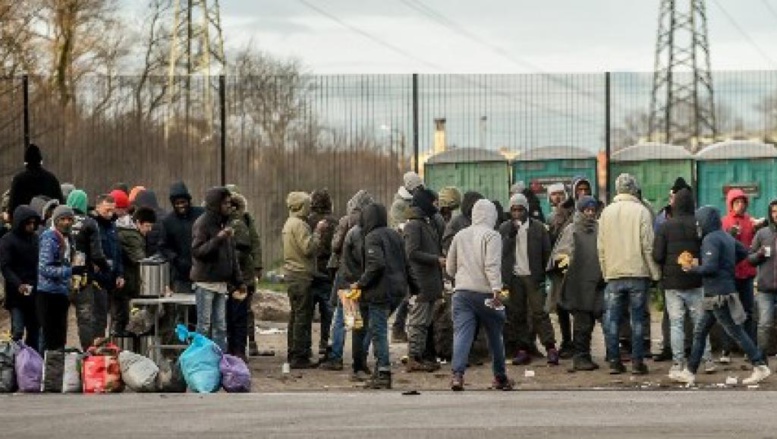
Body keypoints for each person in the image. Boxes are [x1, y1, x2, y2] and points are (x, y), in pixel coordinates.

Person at [671, 206, 771, 386]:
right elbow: (745, 254)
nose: (697, 225)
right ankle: (690, 371)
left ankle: (760, 365)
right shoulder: (726, 237)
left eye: (698, 221)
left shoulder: (710, 239)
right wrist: (729, 263)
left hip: (718, 295)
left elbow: (710, 268)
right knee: (700, 331)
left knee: (735, 332)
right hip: (720, 292)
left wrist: (691, 268)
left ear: (705, 221)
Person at [447, 199, 514, 391]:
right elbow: (491, 265)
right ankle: (500, 377)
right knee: (495, 336)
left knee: (462, 335)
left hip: (461, 293)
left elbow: (450, 268)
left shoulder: (460, 235)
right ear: (492, 215)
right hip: (486, 294)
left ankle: (457, 376)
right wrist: (497, 290)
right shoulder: (492, 236)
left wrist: (461, 277)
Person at [598, 173, 661, 375]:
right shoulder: (641, 212)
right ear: (634, 189)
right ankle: (637, 362)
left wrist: (606, 272)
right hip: (637, 273)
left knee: (613, 319)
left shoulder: (606, 213)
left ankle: (615, 361)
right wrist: (655, 273)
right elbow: (648, 246)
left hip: (614, 274)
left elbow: (601, 248)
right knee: (638, 320)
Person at [652, 188, 715, 375]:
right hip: (695, 280)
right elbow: (706, 251)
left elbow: (657, 255)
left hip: (672, 283)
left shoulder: (665, 226)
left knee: (676, 323)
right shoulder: (699, 225)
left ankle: (678, 363)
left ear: (675, 204)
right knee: (699, 322)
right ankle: (708, 360)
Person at [351, 203, 410, 389]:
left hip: (379, 291)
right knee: (378, 328)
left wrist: (360, 283)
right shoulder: (395, 235)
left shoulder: (371, 237)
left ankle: (383, 371)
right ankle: (378, 369)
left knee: (378, 331)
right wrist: (414, 287)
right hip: (398, 290)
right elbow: (406, 263)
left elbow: (376, 265)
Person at [320, 190, 374, 371]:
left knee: (342, 320)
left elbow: (335, 246)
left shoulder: (347, 222)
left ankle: (336, 356)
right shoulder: (372, 225)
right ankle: (360, 358)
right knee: (358, 322)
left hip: (346, 277)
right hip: (363, 279)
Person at [548, 196, 604, 371]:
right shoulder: (571, 230)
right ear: (580, 211)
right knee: (582, 321)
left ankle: (585, 355)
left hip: (595, 281)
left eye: (593, 210)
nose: (590, 214)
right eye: (586, 210)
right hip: (577, 283)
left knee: (590, 320)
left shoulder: (600, 229)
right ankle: (580, 357)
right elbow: (561, 255)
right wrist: (564, 276)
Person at [499, 193, 556, 365]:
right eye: (514, 210)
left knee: (539, 312)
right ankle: (523, 349)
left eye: (520, 210)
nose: (517, 214)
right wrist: (511, 234)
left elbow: (547, 252)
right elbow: (501, 253)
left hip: (533, 276)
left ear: (526, 210)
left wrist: (546, 275)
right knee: (518, 314)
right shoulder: (504, 228)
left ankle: (550, 347)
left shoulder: (538, 228)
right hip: (514, 278)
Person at [191, 187, 245, 352]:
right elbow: (197, 251)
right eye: (226, 203)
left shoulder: (225, 223)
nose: (229, 206)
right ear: (217, 204)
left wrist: (239, 281)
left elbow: (231, 256)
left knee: (221, 326)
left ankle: (220, 361)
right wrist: (218, 238)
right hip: (205, 283)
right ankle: (201, 359)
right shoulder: (203, 223)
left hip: (221, 283)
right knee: (204, 325)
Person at [547, 176, 593, 358]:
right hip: (565, 261)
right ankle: (567, 341)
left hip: (586, 262)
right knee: (562, 304)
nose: (583, 193)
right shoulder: (563, 210)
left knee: (584, 305)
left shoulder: (595, 207)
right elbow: (556, 235)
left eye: (586, 190)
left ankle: (581, 345)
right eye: (579, 190)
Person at [651, 177, 693, 362]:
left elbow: (657, 251)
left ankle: (679, 350)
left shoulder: (664, 220)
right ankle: (678, 347)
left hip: (671, 275)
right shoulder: (695, 219)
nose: (671, 199)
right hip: (687, 274)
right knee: (678, 315)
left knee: (676, 316)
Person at [282, 191, 326, 368]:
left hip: (292, 274)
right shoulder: (299, 225)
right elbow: (308, 248)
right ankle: (300, 356)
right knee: (302, 317)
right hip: (301, 276)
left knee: (295, 315)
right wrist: (318, 233)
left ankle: (293, 352)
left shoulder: (289, 223)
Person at [404, 188, 445, 372]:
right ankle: (414, 357)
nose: (437, 205)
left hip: (429, 280)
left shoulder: (425, 222)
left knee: (425, 322)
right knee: (418, 322)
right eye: (434, 202)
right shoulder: (414, 225)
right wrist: (436, 259)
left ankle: (419, 356)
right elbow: (411, 252)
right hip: (421, 280)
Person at [719, 188, 760, 363]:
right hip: (730, 274)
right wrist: (730, 235)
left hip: (747, 273)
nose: (740, 205)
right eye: (737, 202)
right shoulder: (724, 222)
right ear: (730, 204)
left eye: (743, 202)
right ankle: (726, 349)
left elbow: (755, 245)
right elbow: (720, 245)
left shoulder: (751, 222)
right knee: (728, 311)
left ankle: (748, 349)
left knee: (749, 311)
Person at [67, 189, 111, 350]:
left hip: (60, 279)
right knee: (85, 319)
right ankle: (87, 356)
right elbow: (97, 254)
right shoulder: (89, 223)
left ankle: (53, 356)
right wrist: (107, 270)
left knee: (56, 320)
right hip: (83, 280)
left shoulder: (58, 219)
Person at [227, 191, 263, 361]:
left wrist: (257, 266)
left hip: (239, 273)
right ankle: (248, 344)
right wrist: (258, 266)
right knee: (245, 311)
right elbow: (255, 243)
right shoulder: (245, 219)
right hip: (245, 273)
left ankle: (240, 347)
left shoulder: (238, 221)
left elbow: (253, 243)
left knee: (239, 311)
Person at [0, 205, 42, 351]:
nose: (31, 226)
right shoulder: (8, 240)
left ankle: (32, 363)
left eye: (33, 223)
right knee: (17, 330)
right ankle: (12, 361)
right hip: (16, 294)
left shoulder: (35, 239)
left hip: (34, 291)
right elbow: (5, 267)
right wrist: (18, 284)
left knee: (35, 330)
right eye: (28, 223)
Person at [37, 205, 77, 351]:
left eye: (69, 219)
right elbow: (44, 268)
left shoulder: (70, 239)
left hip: (62, 292)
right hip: (47, 292)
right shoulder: (49, 238)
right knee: (48, 337)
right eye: (63, 219)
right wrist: (70, 271)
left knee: (60, 338)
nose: (66, 222)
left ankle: (56, 370)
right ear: (56, 220)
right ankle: (44, 369)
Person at [115, 207, 156, 336]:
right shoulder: (132, 236)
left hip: (126, 280)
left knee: (122, 317)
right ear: (137, 223)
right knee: (126, 319)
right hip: (127, 281)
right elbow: (140, 259)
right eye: (147, 226)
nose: (149, 230)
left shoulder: (126, 232)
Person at [307, 189, 338, 357]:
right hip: (328, 272)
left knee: (307, 313)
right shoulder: (335, 222)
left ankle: (305, 346)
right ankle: (325, 343)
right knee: (328, 312)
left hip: (310, 271)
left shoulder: (306, 221)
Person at [160, 181, 206, 295]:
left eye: (183, 202)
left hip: (203, 271)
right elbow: (163, 246)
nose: (181, 205)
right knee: (182, 307)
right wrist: (175, 258)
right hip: (181, 274)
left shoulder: (201, 214)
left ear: (188, 201)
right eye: (177, 203)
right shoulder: (168, 221)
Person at [92, 194, 125, 341]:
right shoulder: (92, 226)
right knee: (97, 319)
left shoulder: (112, 227)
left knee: (108, 319)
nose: (110, 214)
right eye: (107, 210)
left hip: (111, 280)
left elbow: (118, 252)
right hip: (96, 280)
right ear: (98, 207)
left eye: (113, 210)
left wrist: (120, 274)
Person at [748, 199, 777, 354]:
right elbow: (750, 259)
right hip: (765, 288)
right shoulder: (762, 233)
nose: (776, 215)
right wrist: (759, 254)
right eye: (773, 212)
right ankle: (761, 361)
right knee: (764, 324)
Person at [7, 144, 65, 217]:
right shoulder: (51, 178)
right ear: (41, 160)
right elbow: (60, 203)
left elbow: (12, 207)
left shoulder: (18, 179)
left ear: (25, 162)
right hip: (47, 221)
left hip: (25, 222)